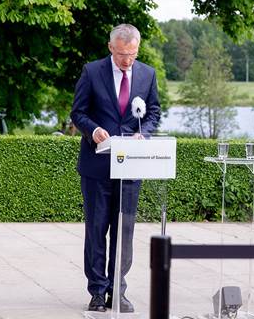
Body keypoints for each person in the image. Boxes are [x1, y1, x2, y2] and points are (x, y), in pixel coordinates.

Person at [70, 24, 160, 313]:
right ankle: (97, 291)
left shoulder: (147, 74)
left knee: (125, 232)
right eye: (122, 54)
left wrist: (143, 132)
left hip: (131, 167)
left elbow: (154, 111)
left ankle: (117, 291)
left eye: (132, 54)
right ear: (111, 48)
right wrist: (92, 129)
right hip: (97, 166)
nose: (127, 61)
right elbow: (78, 112)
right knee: (96, 231)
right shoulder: (92, 71)